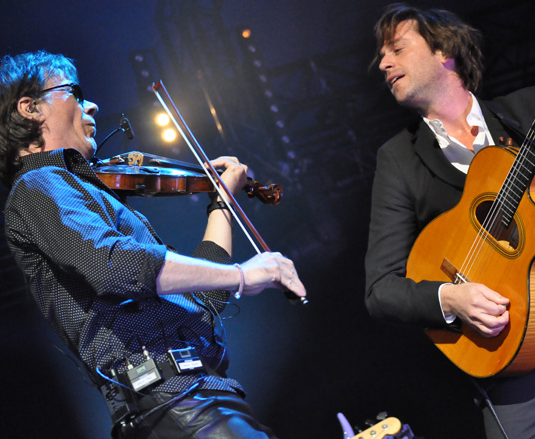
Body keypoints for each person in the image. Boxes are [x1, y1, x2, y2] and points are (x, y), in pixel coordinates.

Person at [0, 50, 306, 439]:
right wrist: (242, 274)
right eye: (74, 92)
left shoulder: (81, 193)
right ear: (31, 109)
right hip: (169, 399)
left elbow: (204, 304)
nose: (91, 103)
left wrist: (221, 205)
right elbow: (116, 267)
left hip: (198, 393)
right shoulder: (38, 185)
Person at [364, 3, 535, 439]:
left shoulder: (531, 106)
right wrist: (450, 301)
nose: (383, 63)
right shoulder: (398, 159)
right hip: (517, 353)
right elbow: (381, 289)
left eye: (396, 48)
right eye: (382, 55)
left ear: (444, 51)